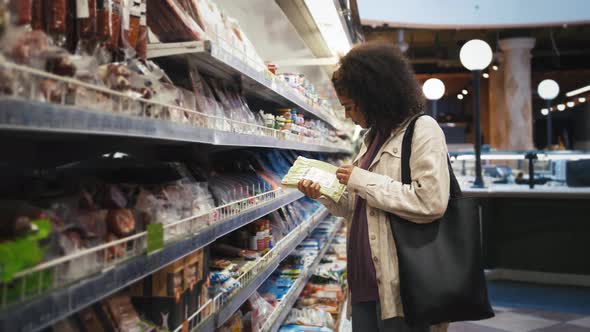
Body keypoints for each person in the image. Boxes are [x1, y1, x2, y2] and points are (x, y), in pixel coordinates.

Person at [297, 42, 450, 332]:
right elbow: (358, 206)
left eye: (350, 107)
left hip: (401, 287)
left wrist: (360, 179)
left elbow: (430, 202)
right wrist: (324, 194)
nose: (347, 116)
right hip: (363, 284)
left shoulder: (422, 130)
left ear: (374, 96)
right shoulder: (372, 139)